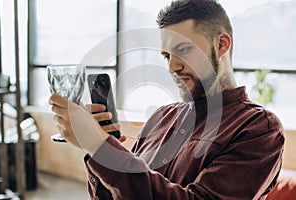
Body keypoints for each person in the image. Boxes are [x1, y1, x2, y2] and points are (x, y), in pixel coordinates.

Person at [49, 0, 285, 199]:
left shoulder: (259, 129)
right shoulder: (161, 117)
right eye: (166, 55)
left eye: (183, 50)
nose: (173, 66)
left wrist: (99, 147)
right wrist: (104, 148)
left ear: (221, 44)